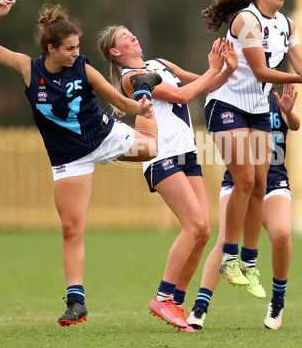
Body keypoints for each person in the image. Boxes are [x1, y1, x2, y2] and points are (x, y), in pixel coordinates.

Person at [0, 0, 159, 327]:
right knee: (71, 228)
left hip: (104, 136)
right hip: (69, 158)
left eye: (78, 47)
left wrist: (142, 104)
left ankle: (144, 81)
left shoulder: (84, 69)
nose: (77, 53)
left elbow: (121, 101)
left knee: (152, 147)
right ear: (50, 49)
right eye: (70, 49)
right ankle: (77, 302)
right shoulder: (29, 70)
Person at [98, 25, 237, 331]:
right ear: (115, 52)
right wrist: (213, 70)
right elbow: (184, 96)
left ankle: (175, 300)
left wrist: (227, 68)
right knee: (194, 225)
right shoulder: (130, 78)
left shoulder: (161, 64)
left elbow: (207, 84)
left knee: (204, 231)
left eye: (131, 33)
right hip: (162, 155)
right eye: (124, 37)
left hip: (187, 153)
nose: (133, 36)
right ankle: (162, 297)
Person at [201, 0, 302, 296]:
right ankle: (229, 258)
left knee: (258, 183)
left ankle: (249, 261)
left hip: (257, 110)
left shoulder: (287, 25)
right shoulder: (246, 20)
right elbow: (260, 70)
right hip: (226, 106)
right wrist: (300, 79)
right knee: (243, 179)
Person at [188, 83, 300, 330]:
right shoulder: (235, 99)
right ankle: (200, 306)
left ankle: (277, 302)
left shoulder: (272, 97)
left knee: (282, 234)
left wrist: (288, 111)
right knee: (226, 240)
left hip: (273, 183)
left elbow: (295, 124)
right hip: (239, 185)